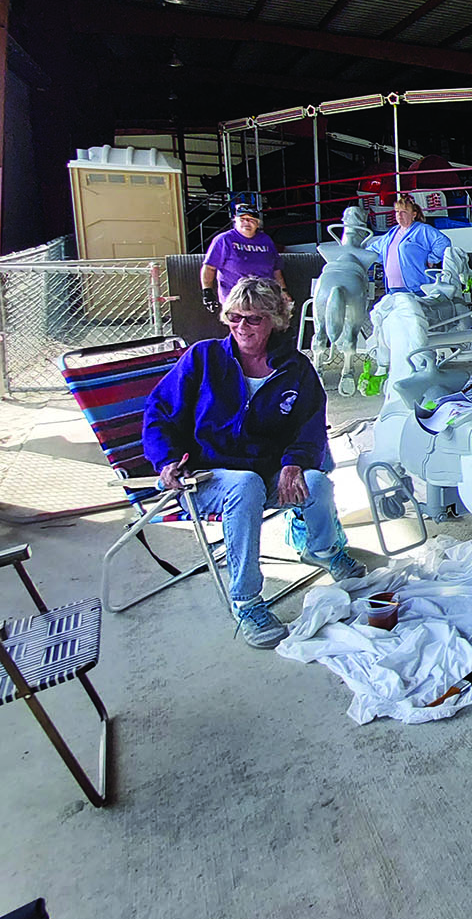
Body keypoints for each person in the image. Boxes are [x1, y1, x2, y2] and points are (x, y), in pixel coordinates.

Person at [141, 277, 365, 648]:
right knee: (245, 485)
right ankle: (247, 602)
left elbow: (310, 428)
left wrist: (294, 462)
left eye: (253, 319)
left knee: (318, 482)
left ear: (276, 320)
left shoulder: (295, 369)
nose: (241, 327)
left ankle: (321, 549)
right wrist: (165, 461)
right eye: (235, 318)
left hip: (267, 473)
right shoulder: (204, 357)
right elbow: (158, 412)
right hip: (206, 477)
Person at [200, 203, 285, 313]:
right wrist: (207, 292)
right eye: (243, 219)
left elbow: (276, 270)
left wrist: (283, 291)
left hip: (265, 299)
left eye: (252, 219)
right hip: (236, 300)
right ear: (235, 220)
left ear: (258, 223)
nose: (247, 222)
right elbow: (209, 268)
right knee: (241, 328)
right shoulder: (224, 240)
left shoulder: (266, 240)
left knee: (264, 328)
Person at [367, 193, 452, 296]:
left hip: (416, 288)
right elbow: (373, 251)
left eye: (404, 212)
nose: (399, 215)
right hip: (393, 288)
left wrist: (432, 259)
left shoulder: (422, 230)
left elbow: (443, 242)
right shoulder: (392, 233)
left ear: (414, 214)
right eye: (397, 212)